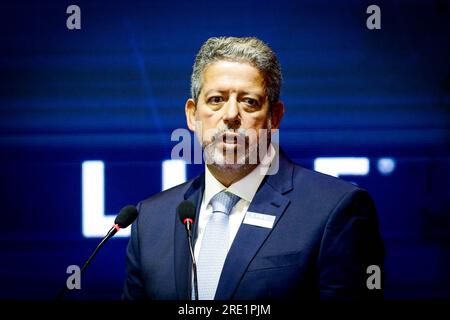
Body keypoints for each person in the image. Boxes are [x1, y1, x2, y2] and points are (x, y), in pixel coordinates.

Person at [122, 37, 385, 300]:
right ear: (192, 115)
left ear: (275, 117)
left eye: (249, 101)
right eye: (216, 99)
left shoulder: (334, 209)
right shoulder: (150, 219)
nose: (231, 114)